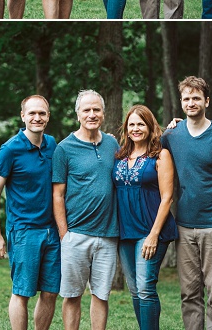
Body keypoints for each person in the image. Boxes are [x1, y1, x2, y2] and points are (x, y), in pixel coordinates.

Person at [162, 76, 212, 330]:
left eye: (196, 98)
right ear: (181, 102)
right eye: (186, 98)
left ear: (206, 101)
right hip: (184, 225)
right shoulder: (171, 135)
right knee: (189, 293)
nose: (191, 102)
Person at [0, 95, 59, 330]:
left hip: (52, 232)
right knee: (22, 292)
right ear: (23, 116)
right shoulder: (10, 149)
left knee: (49, 292)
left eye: (42, 113)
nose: (37, 117)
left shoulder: (52, 145)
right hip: (24, 231)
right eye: (32, 113)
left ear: (48, 117)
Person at [52, 90, 120, 330]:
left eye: (96, 110)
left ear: (103, 113)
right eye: (86, 110)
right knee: (71, 295)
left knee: (101, 295)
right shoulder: (64, 148)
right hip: (76, 234)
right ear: (78, 114)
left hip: (109, 234)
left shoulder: (113, 143)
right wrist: (64, 234)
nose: (92, 114)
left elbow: (145, 143)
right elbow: (57, 194)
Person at [113, 104, 178, 330]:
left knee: (145, 288)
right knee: (134, 290)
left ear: (150, 127)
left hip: (151, 230)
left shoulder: (161, 155)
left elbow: (167, 197)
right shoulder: (120, 156)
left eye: (141, 124)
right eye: (131, 124)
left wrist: (153, 235)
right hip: (125, 230)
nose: (136, 128)